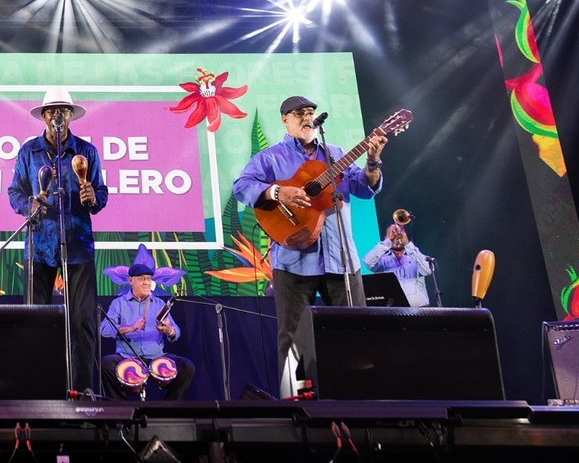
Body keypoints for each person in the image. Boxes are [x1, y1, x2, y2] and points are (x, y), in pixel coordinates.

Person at [232, 95, 386, 398]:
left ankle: (358, 400)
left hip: (341, 259)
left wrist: (372, 161)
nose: (306, 117)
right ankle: (295, 404)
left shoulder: (336, 154)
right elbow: (241, 187)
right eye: (299, 113)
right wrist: (278, 192)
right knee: (291, 339)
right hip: (292, 260)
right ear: (285, 121)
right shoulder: (270, 158)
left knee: (355, 330)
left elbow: (365, 188)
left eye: (310, 112)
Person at [7, 88, 109, 395]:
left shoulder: (86, 152)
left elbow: (101, 193)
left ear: (70, 116)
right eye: (51, 111)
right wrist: (31, 205)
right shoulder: (28, 152)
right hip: (39, 244)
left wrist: (93, 198)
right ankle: (38, 388)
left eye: (62, 111)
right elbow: (14, 193)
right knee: (35, 320)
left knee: (82, 322)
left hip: (77, 244)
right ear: (43, 117)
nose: (57, 117)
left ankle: (83, 389)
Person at [99, 244, 195, 401]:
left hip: (156, 358)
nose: (146, 283)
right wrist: (130, 328)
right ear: (131, 280)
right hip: (127, 357)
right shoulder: (119, 304)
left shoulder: (158, 304)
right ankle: (123, 410)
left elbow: (176, 333)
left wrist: (169, 330)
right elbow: (104, 330)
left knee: (187, 367)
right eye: (142, 279)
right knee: (106, 365)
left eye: (149, 279)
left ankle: (168, 411)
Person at [363, 222, 433, 307]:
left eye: (399, 233)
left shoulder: (415, 256)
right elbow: (368, 262)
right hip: (393, 311)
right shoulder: (381, 261)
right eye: (391, 233)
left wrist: (407, 244)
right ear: (386, 238)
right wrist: (388, 241)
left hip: (419, 310)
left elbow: (428, 270)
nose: (396, 236)